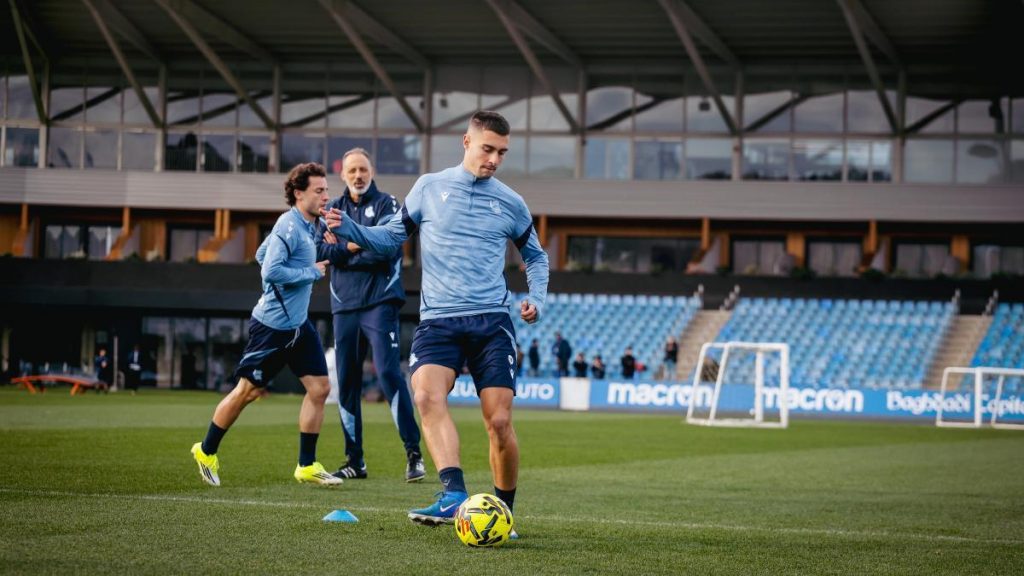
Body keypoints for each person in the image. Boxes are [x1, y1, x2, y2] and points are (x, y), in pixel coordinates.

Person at [323, 111, 548, 532]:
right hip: (439, 321)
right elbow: (392, 237)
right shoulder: (428, 187)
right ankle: (453, 494)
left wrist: (536, 296)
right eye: (487, 149)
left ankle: (504, 511)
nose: (494, 159)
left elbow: (535, 256)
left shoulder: (510, 202)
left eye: (502, 152)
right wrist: (353, 227)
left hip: (491, 322)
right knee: (425, 394)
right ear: (466, 142)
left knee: (499, 422)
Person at [190, 162, 341, 487]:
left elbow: (262, 253)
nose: (326, 196)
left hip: (299, 327)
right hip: (272, 327)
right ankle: (205, 451)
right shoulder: (289, 226)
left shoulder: (309, 225)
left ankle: (306, 465)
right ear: (299, 194)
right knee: (248, 391)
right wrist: (310, 273)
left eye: (326, 189)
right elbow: (269, 271)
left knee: (320, 389)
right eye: (319, 190)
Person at [316, 147, 424, 483]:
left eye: (363, 169)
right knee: (346, 383)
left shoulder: (389, 204)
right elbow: (320, 250)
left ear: (372, 170)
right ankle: (354, 461)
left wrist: (343, 249)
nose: (358, 176)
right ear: (343, 175)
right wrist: (356, 245)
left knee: (390, 375)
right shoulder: (332, 208)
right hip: (345, 305)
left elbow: (387, 249)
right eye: (352, 171)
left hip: (380, 302)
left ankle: (414, 455)